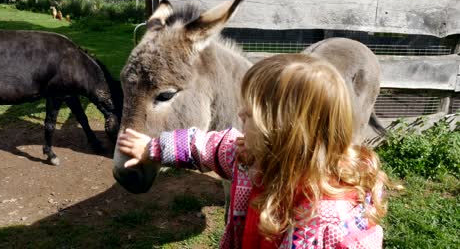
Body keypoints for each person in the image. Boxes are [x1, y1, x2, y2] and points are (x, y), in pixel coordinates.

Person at [117, 53, 398, 248]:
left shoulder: (331, 222)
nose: (239, 113)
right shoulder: (250, 160)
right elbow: (204, 146)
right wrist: (152, 147)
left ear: (283, 132)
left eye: (250, 115)